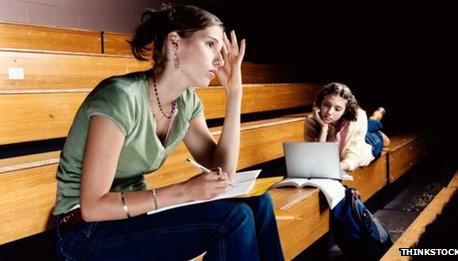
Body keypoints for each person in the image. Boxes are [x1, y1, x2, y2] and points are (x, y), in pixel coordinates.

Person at [53, 4, 284, 260]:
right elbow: (92, 208)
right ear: (175, 42)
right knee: (234, 218)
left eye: (220, 50)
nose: (220, 60)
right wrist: (185, 191)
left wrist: (235, 93)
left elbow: (224, 176)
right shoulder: (120, 97)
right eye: (210, 45)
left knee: (260, 205)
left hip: (132, 218)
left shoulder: (186, 102)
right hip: (85, 232)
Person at [304, 82, 389, 173]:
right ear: (320, 103)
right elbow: (317, 159)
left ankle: (376, 123)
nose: (329, 112)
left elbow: (352, 158)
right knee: (369, 125)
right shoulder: (312, 123)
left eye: (337, 109)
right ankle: (375, 117)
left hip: (367, 144)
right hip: (353, 135)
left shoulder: (358, 117)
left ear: (345, 111)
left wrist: (332, 168)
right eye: (326, 105)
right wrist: (324, 128)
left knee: (382, 138)